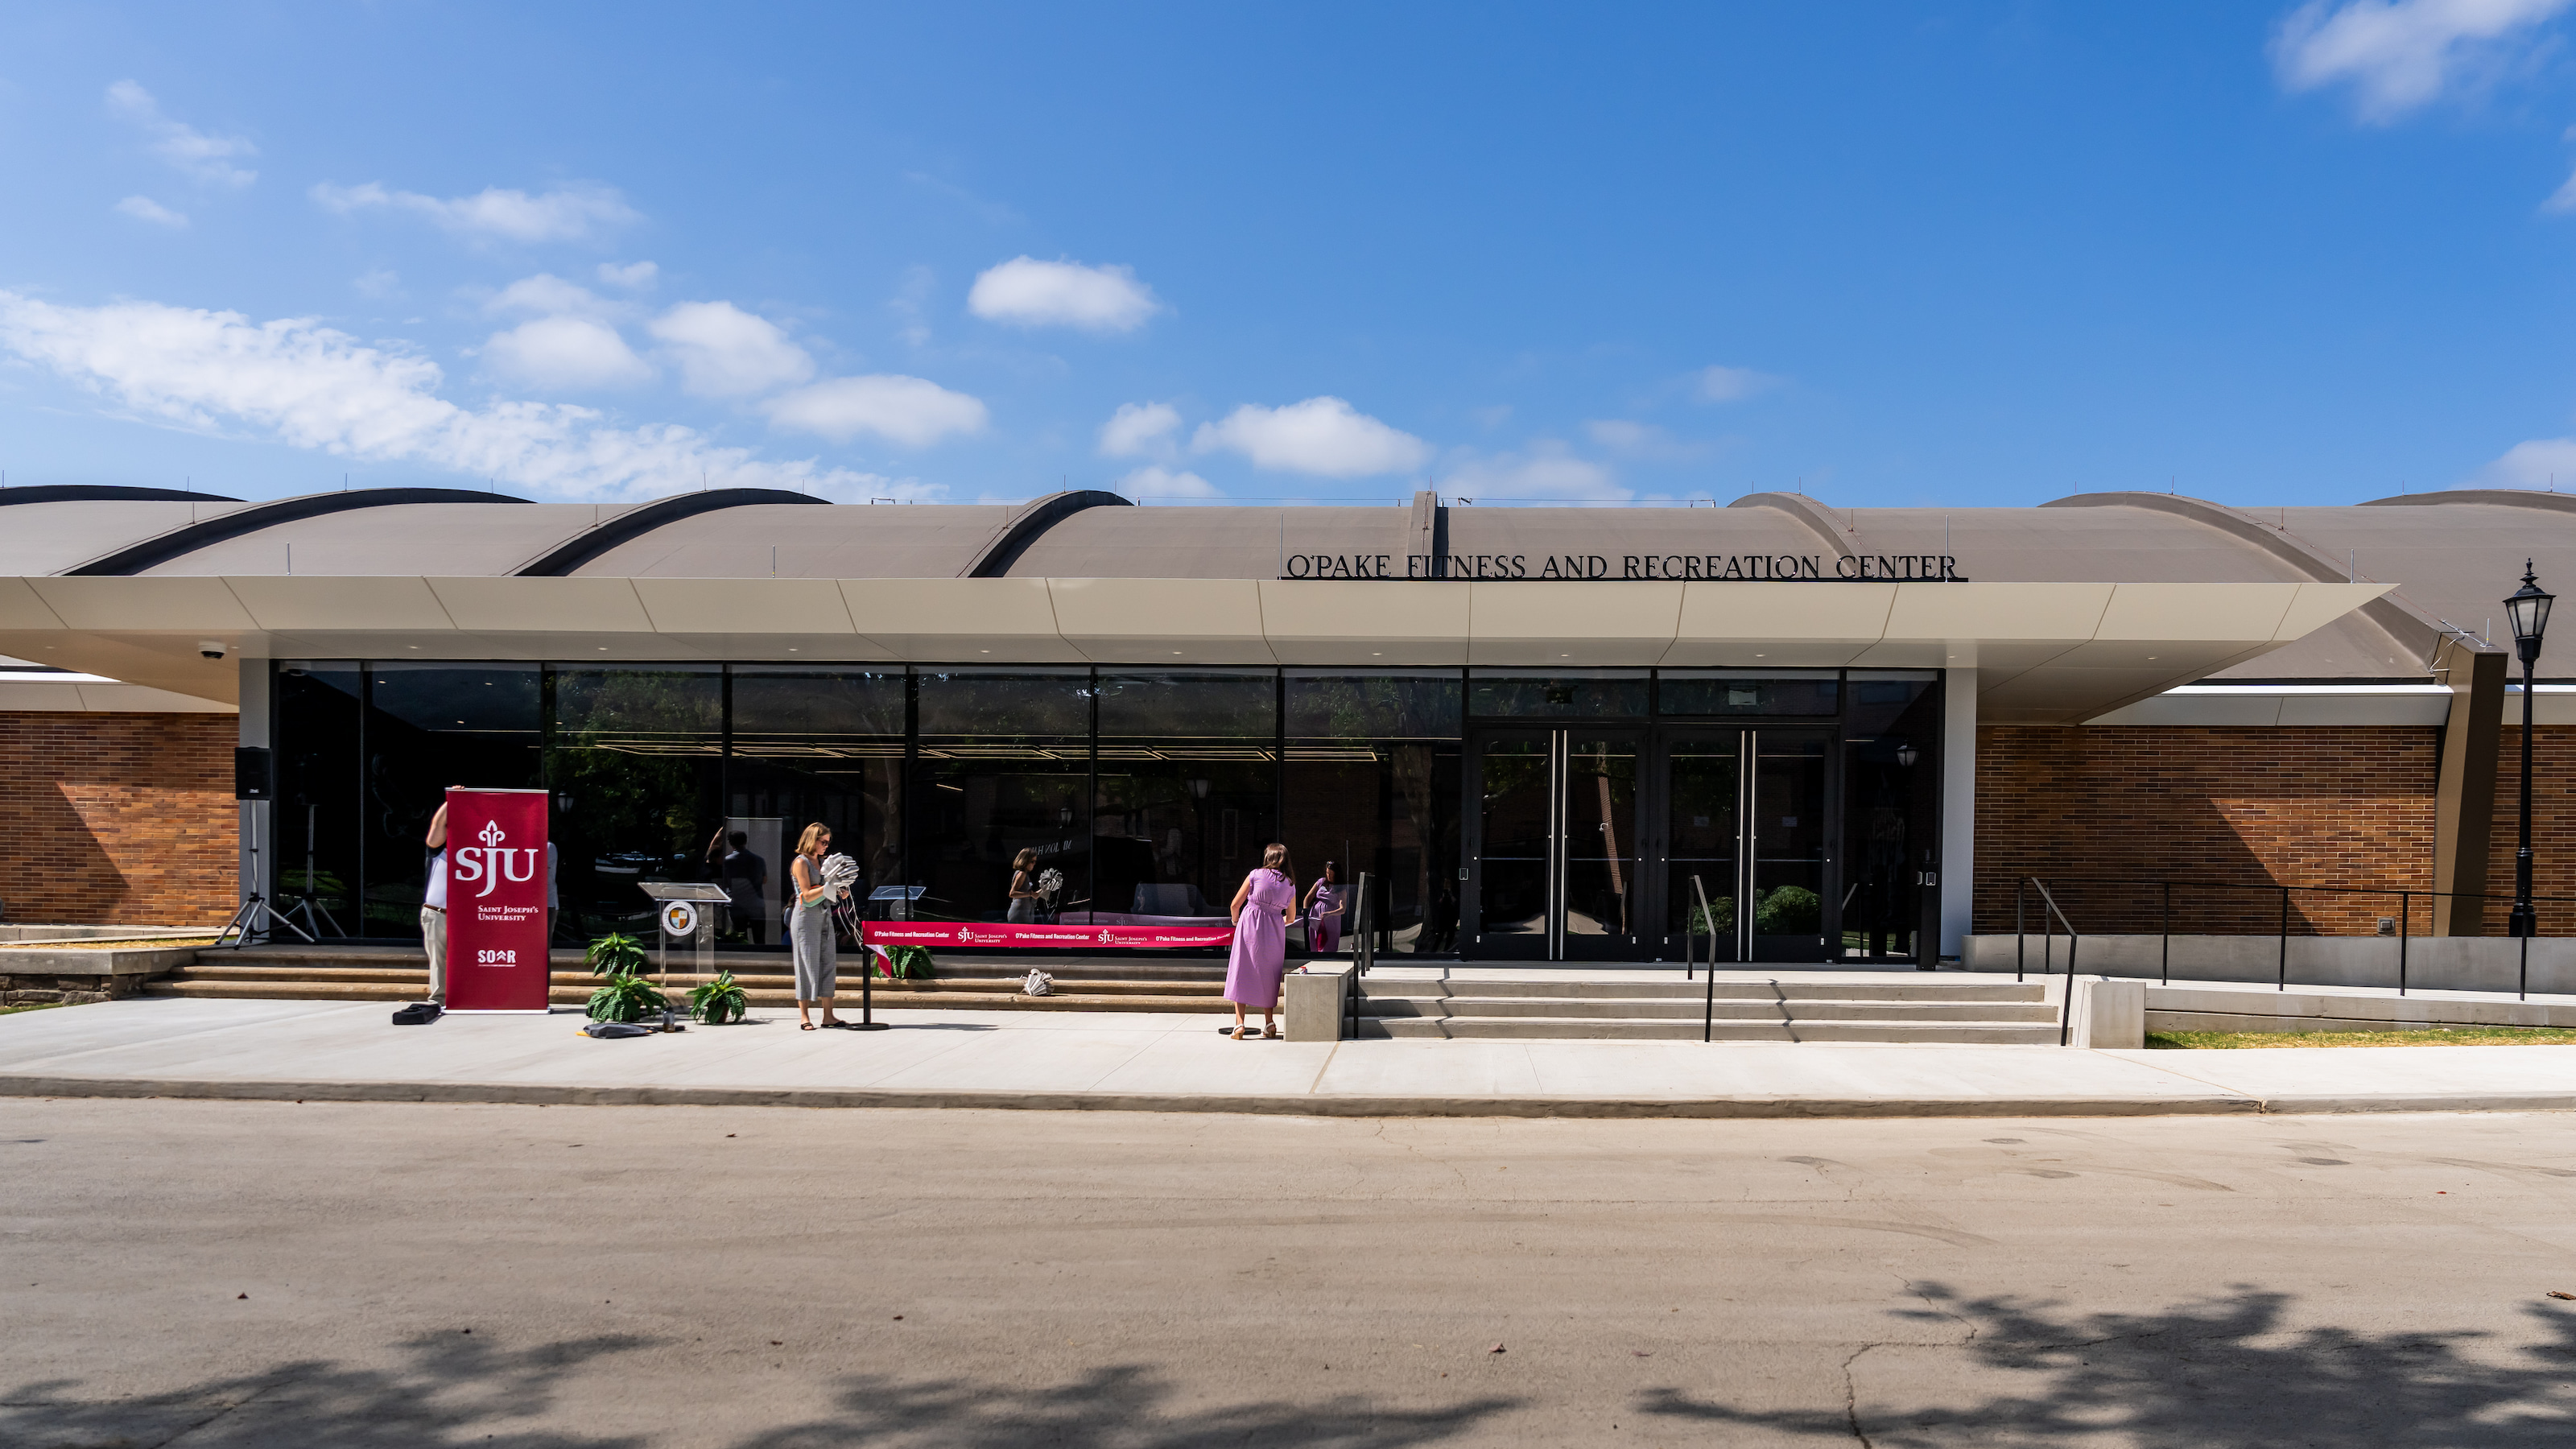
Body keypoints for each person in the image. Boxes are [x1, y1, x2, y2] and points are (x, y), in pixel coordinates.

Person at [1224, 843, 1297, 1040]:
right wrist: (1275, 919)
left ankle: (1239, 1025)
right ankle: (1270, 1023)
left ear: (1268, 857)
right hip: (1274, 932)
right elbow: (1291, 918)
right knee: (1269, 975)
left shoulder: (1255, 874)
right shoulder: (1290, 884)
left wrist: (1236, 921)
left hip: (1249, 927)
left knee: (1242, 970)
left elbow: (1235, 904)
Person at [789, 822, 848, 1030]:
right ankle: (804, 1016)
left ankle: (828, 1015)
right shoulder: (801, 862)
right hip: (805, 917)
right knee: (806, 964)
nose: (825, 846)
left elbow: (826, 891)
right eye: (823, 842)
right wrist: (828, 887)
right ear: (811, 839)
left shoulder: (822, 862)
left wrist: (840, 890)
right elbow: (805, 894)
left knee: (828, 962)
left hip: (824, 915)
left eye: (828, 843)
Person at [705, 828, 770, 945]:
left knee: (740, 938)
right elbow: (764, 880)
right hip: (756, 903)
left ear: (730, 844)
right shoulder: (759, 860)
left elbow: (727, 882)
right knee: (759, 939)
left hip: (737, 904)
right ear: (745, 841)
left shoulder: (727, 861)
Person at [421, 802, 449, 1006]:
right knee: (439, 961)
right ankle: (439, 1000)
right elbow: (437, 824)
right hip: (437, 913)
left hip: (466, 915)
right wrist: (452, 801)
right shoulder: (440, 848)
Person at [1302, 861, 1346, 956]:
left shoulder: (1341, 889)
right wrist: (1306, 910)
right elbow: (1308, 897)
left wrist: (1330, 913)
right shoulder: (1321, 882)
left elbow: (1343, 909)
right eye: (1327, 873)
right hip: (1316, 915)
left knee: (1327, 945)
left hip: (1330, 919)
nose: (1328, 876)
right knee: (1314, 941)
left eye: (1331, 874)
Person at [1005, 847, 1042, 923]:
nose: (1034, 864)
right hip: (1019, 913)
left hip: (1025, 912)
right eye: (1032, 861)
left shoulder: (1025, 874)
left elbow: (1030, 894)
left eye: (1035, 862)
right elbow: (1012, 893)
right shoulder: (1022, 874)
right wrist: (1030, 894)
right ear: (1025, 861)